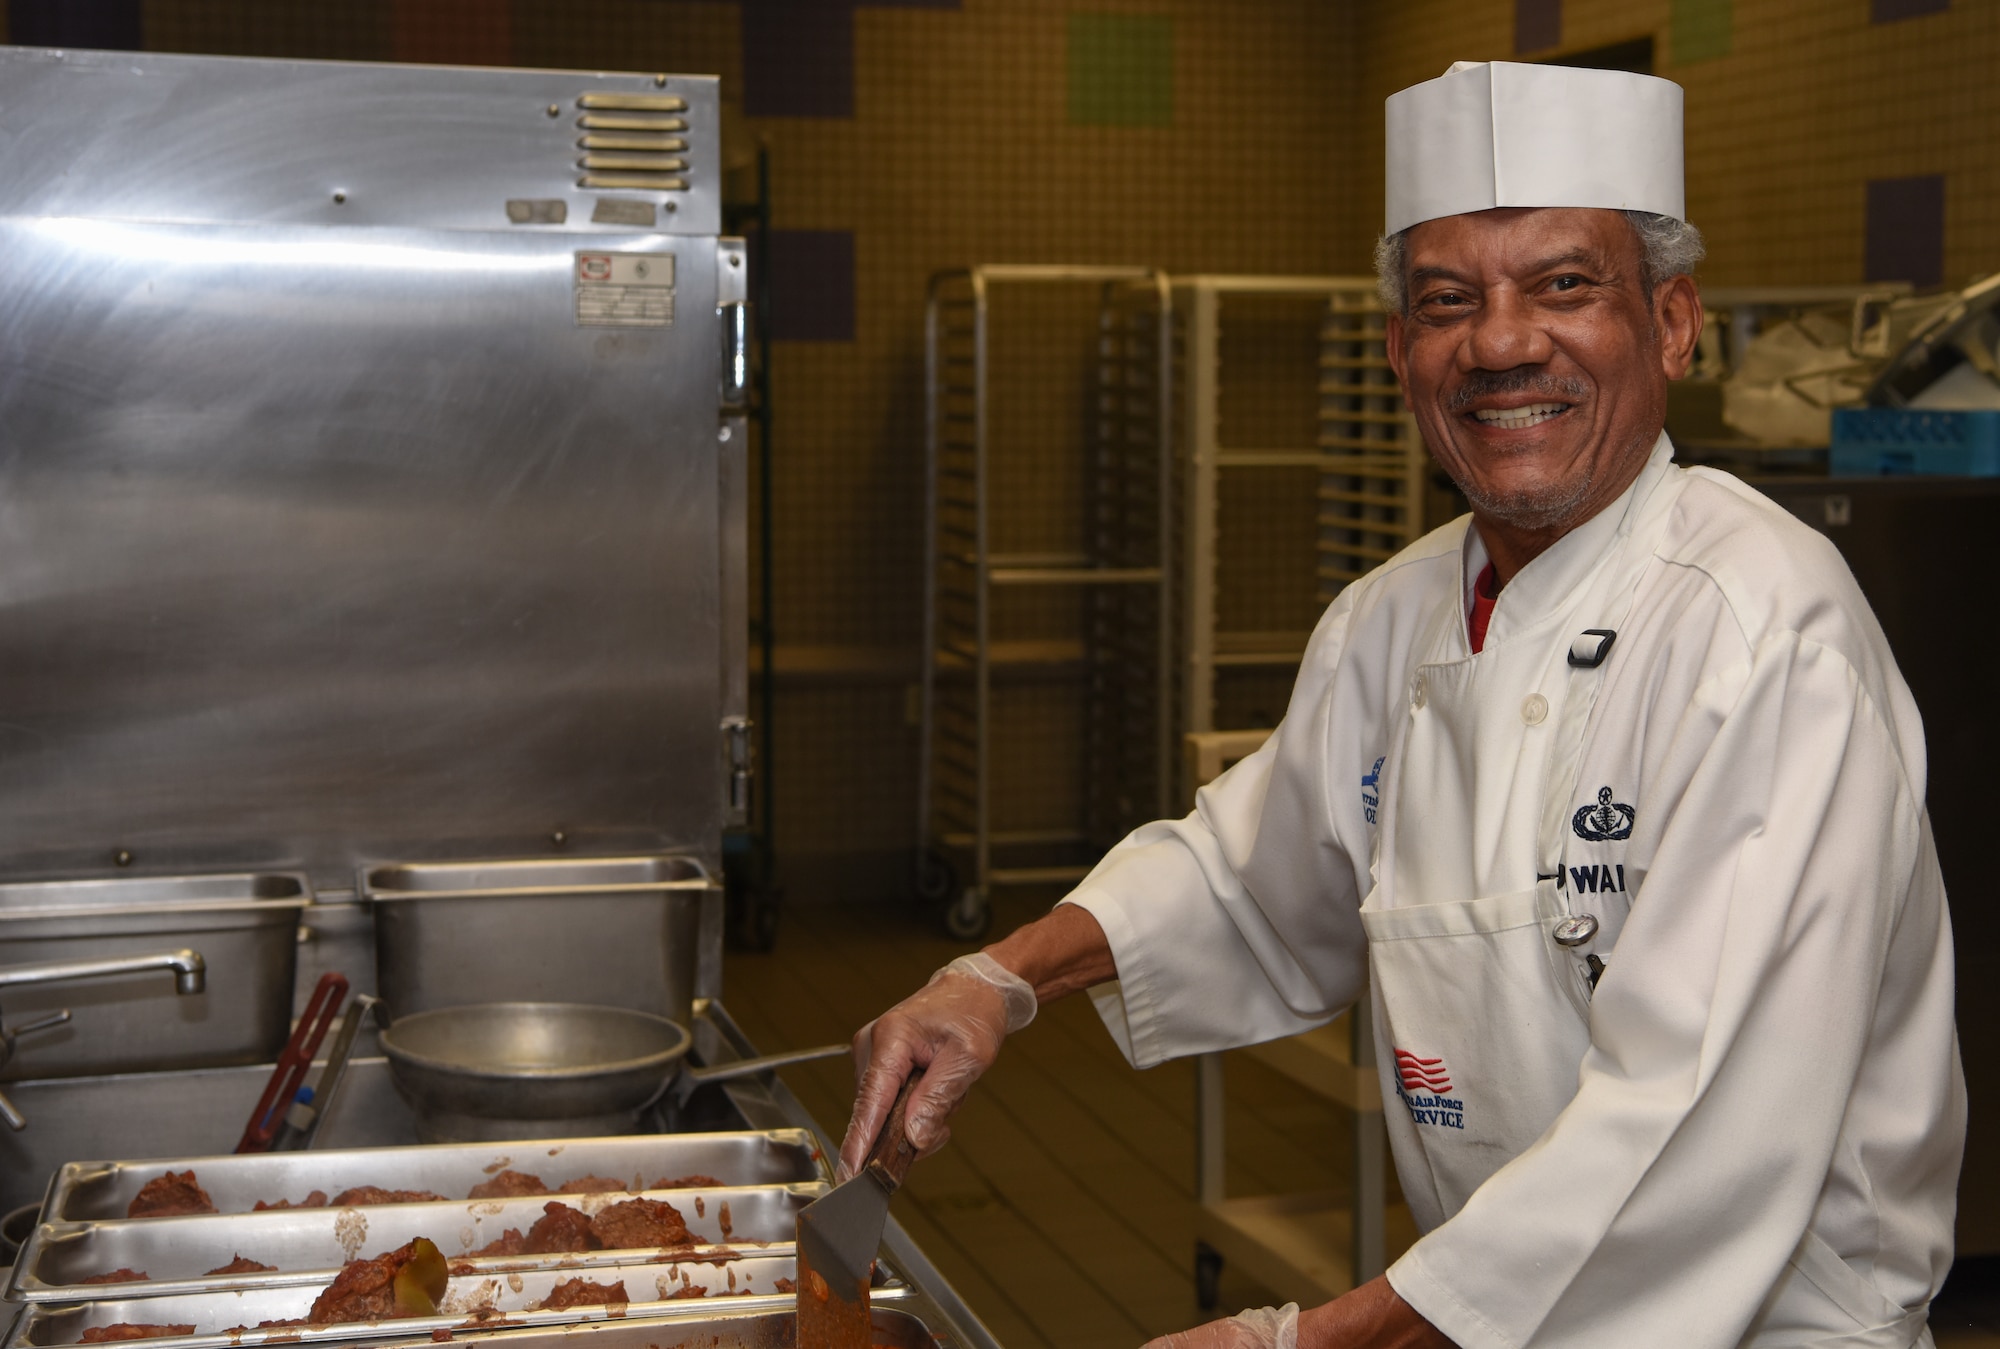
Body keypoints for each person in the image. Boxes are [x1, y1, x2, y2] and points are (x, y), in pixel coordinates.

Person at [846, 61, 1966, 1349]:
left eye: (1563, 284)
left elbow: (1701, 1119)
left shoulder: (1765, 629)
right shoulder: (1393, 620)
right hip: (1470, 1317)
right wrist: (997, 980)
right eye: (1447, 301)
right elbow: (1246, 876)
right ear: (1398, 350)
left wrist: (1316, 1340)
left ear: (1673, 322)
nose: (1499, 343)